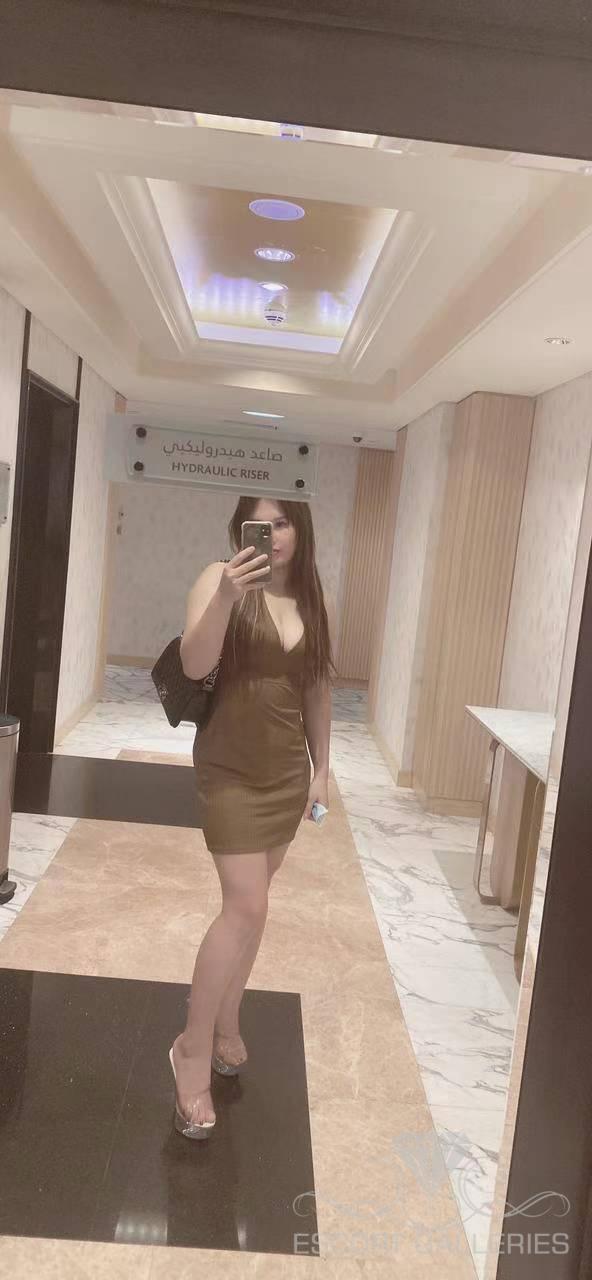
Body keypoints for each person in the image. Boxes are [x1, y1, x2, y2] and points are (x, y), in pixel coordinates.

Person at [168, 494, 335, 1138]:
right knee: (244, 905)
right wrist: (226, 598)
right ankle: (191, 1048)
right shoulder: (218, 579)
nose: (275, 535)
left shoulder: (311, 599)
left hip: (285, 775)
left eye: (285, 522)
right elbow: (194, 664)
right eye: (263, 523)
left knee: (255, 908)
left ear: (301, 528)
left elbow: (316, 687)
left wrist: (322, 767)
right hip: (230, 770)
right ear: (242, 529)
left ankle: (228, 1021)